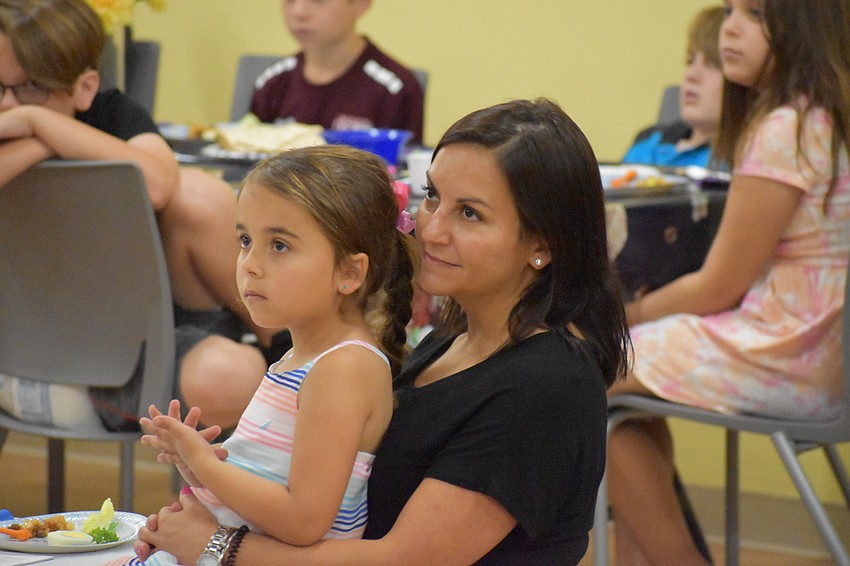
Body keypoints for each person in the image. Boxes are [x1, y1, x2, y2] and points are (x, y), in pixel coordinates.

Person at [134, 98, 631, 565]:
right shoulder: (451, 342)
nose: (431, 228)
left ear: (541, 245)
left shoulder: (549, 386)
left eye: (471, 213)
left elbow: (403, 559)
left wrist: (217, 545)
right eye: (434, 195)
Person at [607, 0, 850, 564]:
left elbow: (720, 287)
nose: (731, 28)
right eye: (732, 10)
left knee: (584, 364)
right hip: (819, 352)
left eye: (756, 14)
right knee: (620, 386)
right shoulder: (823, 119)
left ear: (802, 27)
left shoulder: (783, 128)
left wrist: (628, 316)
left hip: (787, 352)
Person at [0, 0, 288, 432]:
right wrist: (45, 132)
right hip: (30, 339)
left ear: (84, 88)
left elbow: (158, 184)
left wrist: (42, 127)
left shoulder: (109, 112)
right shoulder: (33, 116)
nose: (9, 106)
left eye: (30, 89)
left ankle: (285, 349)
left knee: (196, 194)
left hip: (136, 335)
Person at [133, 145, 415, 564]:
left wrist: (205, 466)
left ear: (350, 273)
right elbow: (267, 489)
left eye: (279, 245)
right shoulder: (297, 360)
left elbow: (303, 520)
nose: (250, 264)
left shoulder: (344, 368)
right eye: (245, 240)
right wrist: (199, 464)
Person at [249, 0, 425, 143]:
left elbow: (402, 175)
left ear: (360, 4)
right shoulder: (271, 81)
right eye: (289, 0)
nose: (299, 12)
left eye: (318, 1)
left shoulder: (394, 89)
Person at [621, 6, 725, 169]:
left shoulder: (743, 162)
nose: (691, 74)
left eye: (712, 64)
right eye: (690, 61)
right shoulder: (648, 142)